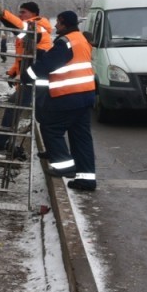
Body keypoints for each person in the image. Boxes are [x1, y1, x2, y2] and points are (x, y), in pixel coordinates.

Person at [26, 11, 97, 191]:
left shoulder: (65, 42)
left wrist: (27, 75)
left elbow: (47, 65)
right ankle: (87, 179)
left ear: (64, 23)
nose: (56, 26)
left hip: (69, 95)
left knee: (51, 128)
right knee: (81, 137)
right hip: (86, 94)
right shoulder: (81, 39)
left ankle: (64, 167)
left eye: (58, 22)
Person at [0, 1, 53, 158]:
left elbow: (20, 28)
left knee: (20, 109)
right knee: (16, 108)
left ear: (33, 14)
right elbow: (22, 58)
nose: (20, 15)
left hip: (35, 81)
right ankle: (2, 140)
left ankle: (1, 141)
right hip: (29, 79)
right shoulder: (28, 31)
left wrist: (3, 13)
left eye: (23, 12)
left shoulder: (37, 27)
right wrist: (12, 72)